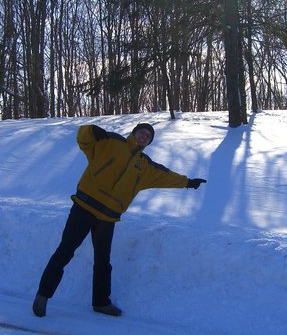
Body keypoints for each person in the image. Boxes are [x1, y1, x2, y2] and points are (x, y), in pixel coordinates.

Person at [33, 122, 206, 317]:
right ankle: (43, 296)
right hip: (84, 207)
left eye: (148, 136)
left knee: (103, 261)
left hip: (108, 216)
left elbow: (166, 176)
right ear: (134, 132)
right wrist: (91, 130)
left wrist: (188, 182)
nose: (144, 136)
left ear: (149, 142)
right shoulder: (112, 142)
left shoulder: (145, 166)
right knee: (65, 251)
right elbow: (83, 138)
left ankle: (101, 303)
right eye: (142, 132)